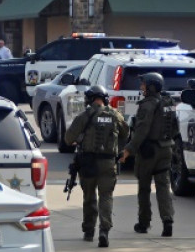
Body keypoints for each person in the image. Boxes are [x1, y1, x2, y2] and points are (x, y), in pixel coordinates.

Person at [65, 85, 128, 248]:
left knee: (89, 197)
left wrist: (79, 138)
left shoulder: (84, 115)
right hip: (108, 163)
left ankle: (88, 231)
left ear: (91, 98)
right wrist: (117, 148)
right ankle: (104, 231)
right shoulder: (115, 114)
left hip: (88, 163)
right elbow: (126, 133)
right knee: (106, 196)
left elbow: (67, 138)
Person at [119, 72, 175, 238]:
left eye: (143, 84)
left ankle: (144, 223)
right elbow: (176, 128)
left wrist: (128, 150)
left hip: (149, 152)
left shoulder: (147, 105)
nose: (141, 87)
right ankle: (168, 221)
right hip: (166, 149)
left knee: (144, 187)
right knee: (163, 186)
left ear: (151, 86)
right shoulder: (169, 103)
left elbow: (141, 131)